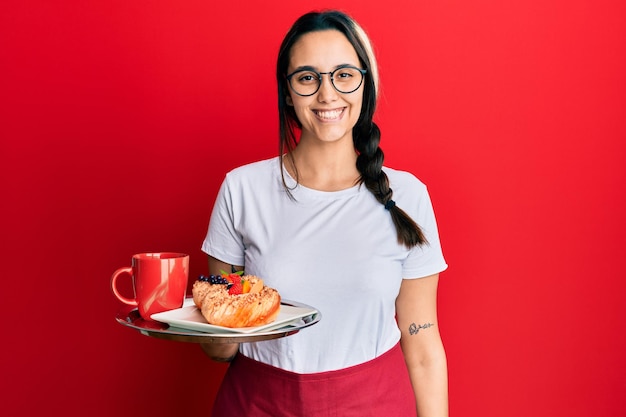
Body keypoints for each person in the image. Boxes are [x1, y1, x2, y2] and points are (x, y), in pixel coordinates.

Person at [200, 10, 449, 417]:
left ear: (364, 85)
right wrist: (218, 326)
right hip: (258, 404)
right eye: (307, 78)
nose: (327, 95)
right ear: (287, 91)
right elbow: (219, 349)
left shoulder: (408, 196)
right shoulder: (241, 189)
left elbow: (422, 346)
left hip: (376, 404)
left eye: (344, 75)